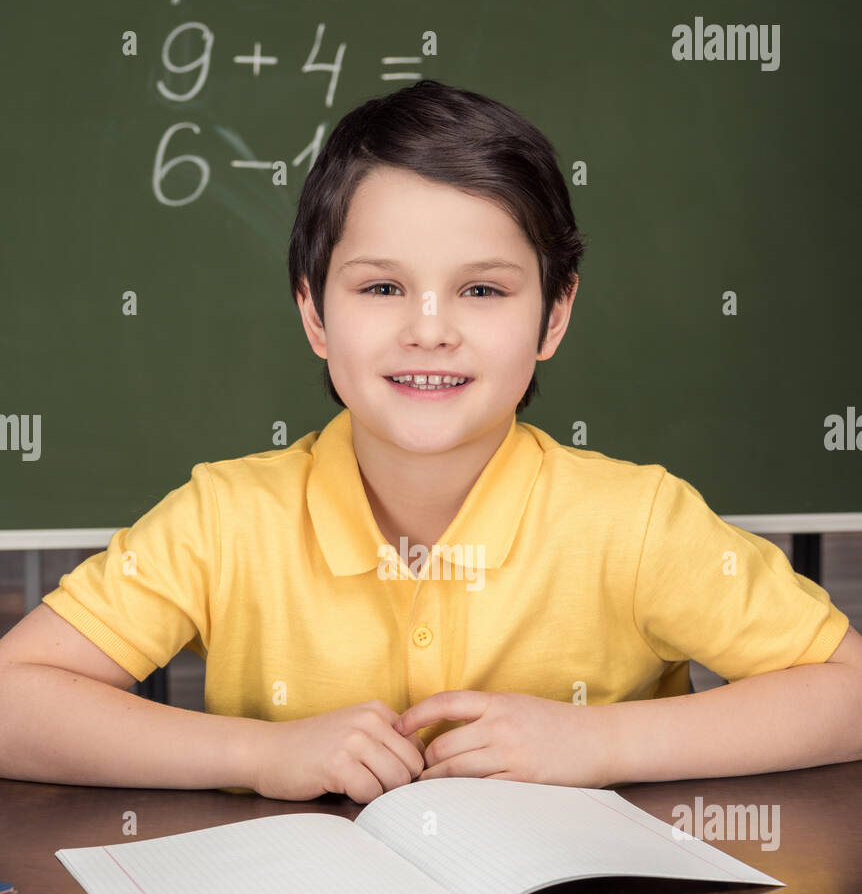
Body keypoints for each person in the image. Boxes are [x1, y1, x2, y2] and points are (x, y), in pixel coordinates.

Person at [1, 80, 860, 803]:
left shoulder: (636, 523)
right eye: (381, 287)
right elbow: (12, 699)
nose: (430, 330)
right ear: (314, 314)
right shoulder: (226, 518)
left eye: (482, 290)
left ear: (554, 316)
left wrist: (601, 743)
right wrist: (259, 754)